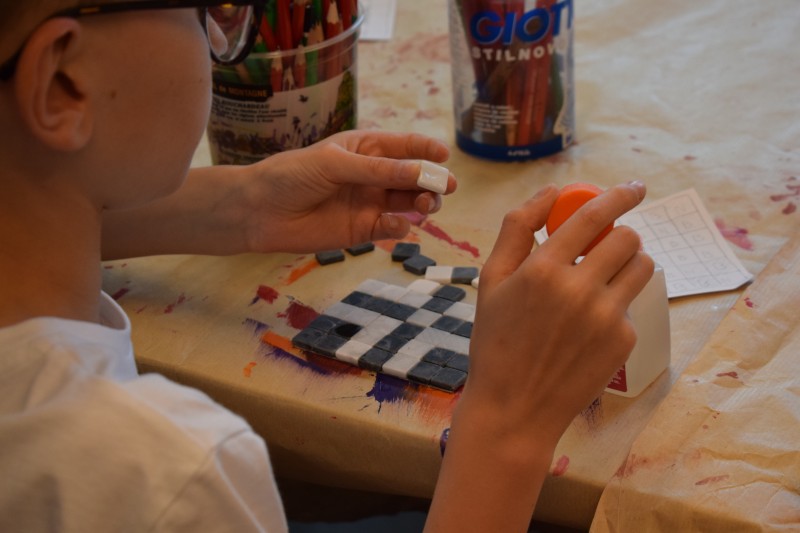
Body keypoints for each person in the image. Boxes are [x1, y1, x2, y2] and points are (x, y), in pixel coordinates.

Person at [0, 1, 654, 532]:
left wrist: (243, 204)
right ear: (64, 80)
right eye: (203, 14)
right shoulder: (164, 475)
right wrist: (506, 424)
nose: (217, 40)